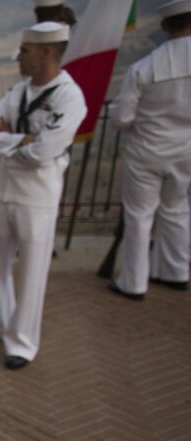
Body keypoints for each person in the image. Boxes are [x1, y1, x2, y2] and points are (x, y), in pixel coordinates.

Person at [0, 22, 87, 370]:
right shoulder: (16, 92)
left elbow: (45, 152)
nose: (18, 59)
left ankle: (22, 343)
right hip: (5, 191)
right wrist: (23, 141)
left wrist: (11, 141)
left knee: (33, 270)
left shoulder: (69, 97)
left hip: (38, 196)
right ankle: (2, 323)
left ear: (46, 52)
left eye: (23, 51)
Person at [108, 0, 191, 298]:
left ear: (164, 26)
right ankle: (176, 272)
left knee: (140, 216)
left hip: (148, 151)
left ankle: (133, 282)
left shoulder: (144, 68)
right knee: (177, 209)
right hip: (188, 152)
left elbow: (121, 118)